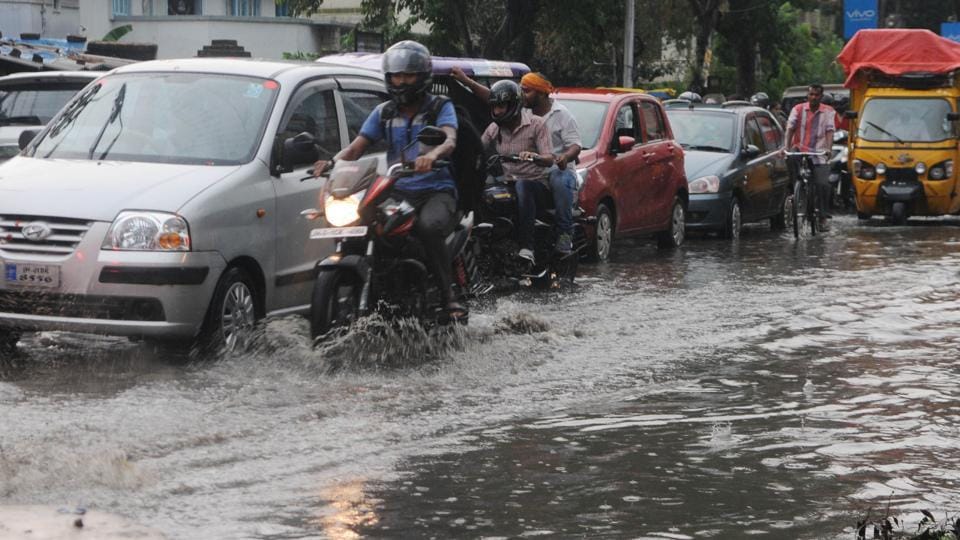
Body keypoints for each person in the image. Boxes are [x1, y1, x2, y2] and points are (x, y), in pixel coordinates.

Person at [312, 40, 466, 320]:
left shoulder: (439, 107)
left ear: (422, 77)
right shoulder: (383, 112)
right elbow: (356, 147)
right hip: (400, 190)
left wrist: (432, 155)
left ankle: (448, 296)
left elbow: (450, 139)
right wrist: (333, 163)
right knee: (368, 221)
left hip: (436, 190)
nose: (401, 81)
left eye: (408, 75)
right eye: (396, 75)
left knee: (428, 228)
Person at [450, 68, 582, 253]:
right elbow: (496, 98)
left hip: (554, 168)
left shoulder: (560, 115)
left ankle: (563, 233)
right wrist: (467, 82)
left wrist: (563, 157)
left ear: (542, 92)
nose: (523, 94)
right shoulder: (515, 113)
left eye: (527, 90)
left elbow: (575, 145)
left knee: (559, 181)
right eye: (522, 90)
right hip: (516, 173)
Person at [479, 80, 555, 264]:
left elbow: (549, 158)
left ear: (513, 104)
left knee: (523, 185)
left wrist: (534, 156)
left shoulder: (537, 124)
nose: (497, 111)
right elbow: (478, 148)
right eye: (495, 106)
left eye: (502, 106)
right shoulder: (494, 128)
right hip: (507, 183)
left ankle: (527, 247)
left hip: (536, 185)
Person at [783, 83, 839, 231]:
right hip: (800, 149)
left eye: (816, 95)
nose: (813, 97)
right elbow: (790, 128)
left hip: (819, 152)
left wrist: (828, 149)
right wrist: (786, 147)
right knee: (790, 163)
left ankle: (822, 217)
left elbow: (829, 131)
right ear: (807, 96)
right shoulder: (798, 109)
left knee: (822, 184)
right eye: (811, 94)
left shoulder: (828, 112)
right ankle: (795, 193)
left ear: (821, 97)